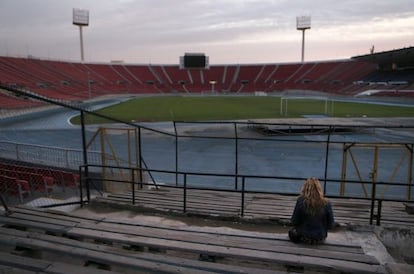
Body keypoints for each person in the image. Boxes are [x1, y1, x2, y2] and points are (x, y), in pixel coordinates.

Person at [289, 177, 334, 244]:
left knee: (291, 231)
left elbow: (294, 221)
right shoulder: (326, 203)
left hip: (304, 238)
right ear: (319, 189)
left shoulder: (301, 201)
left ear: (305, 188)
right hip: (320, 238)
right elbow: (331, 225)